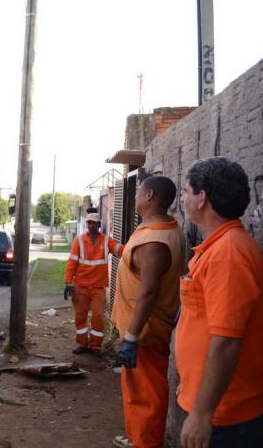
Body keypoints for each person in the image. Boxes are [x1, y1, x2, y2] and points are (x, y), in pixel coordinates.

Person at [177, 157, 263, 448]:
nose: (183, 198)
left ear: (201, 199)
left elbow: (226, 341)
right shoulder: (217, 247)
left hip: (224, 416)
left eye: (186, 191)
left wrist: (201, 413)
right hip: (212, 404)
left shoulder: (228, 255)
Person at [111, 175, 183, 448]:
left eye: (139, 191)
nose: (136, 195)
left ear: (150, 195)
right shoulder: (159, 228)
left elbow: (149, 291)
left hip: (144, 332)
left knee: (146, 391)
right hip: (140, 328)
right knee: (136, 389)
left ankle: (145, 443)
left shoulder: (154, 240)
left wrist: (131, 337)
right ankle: (138, 437)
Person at [64, 212, 123, 355]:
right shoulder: (79, 241)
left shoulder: (106, 240)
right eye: (89, 223)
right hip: (80, 286)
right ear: (86, 224)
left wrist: (134, 247)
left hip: (98, 287)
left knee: (97, 316)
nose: (91, 225)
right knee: (80, 316)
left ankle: (95, 346)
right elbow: (72, 263)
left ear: (99, 225)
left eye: (94, 223)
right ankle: (82, 344)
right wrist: (67, 282)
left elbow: (119, 249)